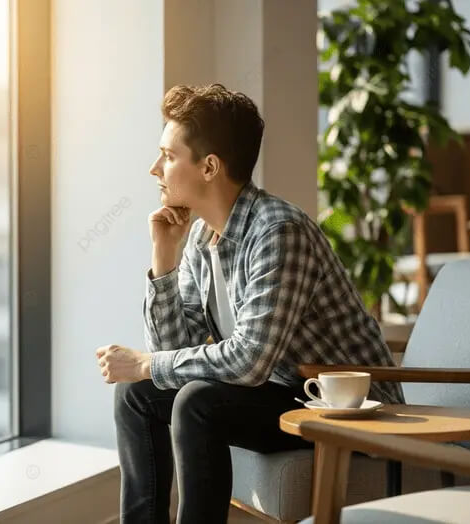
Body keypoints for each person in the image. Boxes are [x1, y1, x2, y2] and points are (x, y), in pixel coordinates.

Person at [94, 84, 403, 524]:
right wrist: (164, 259)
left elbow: (249, 361)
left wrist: (146, 364)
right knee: (136, 395)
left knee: (196, 401)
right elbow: (171, 353)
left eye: (167, 155)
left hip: (346, 406)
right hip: (279, 391)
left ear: (209, 167)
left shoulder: (278, 232)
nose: (154, 168)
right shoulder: (201, 238)